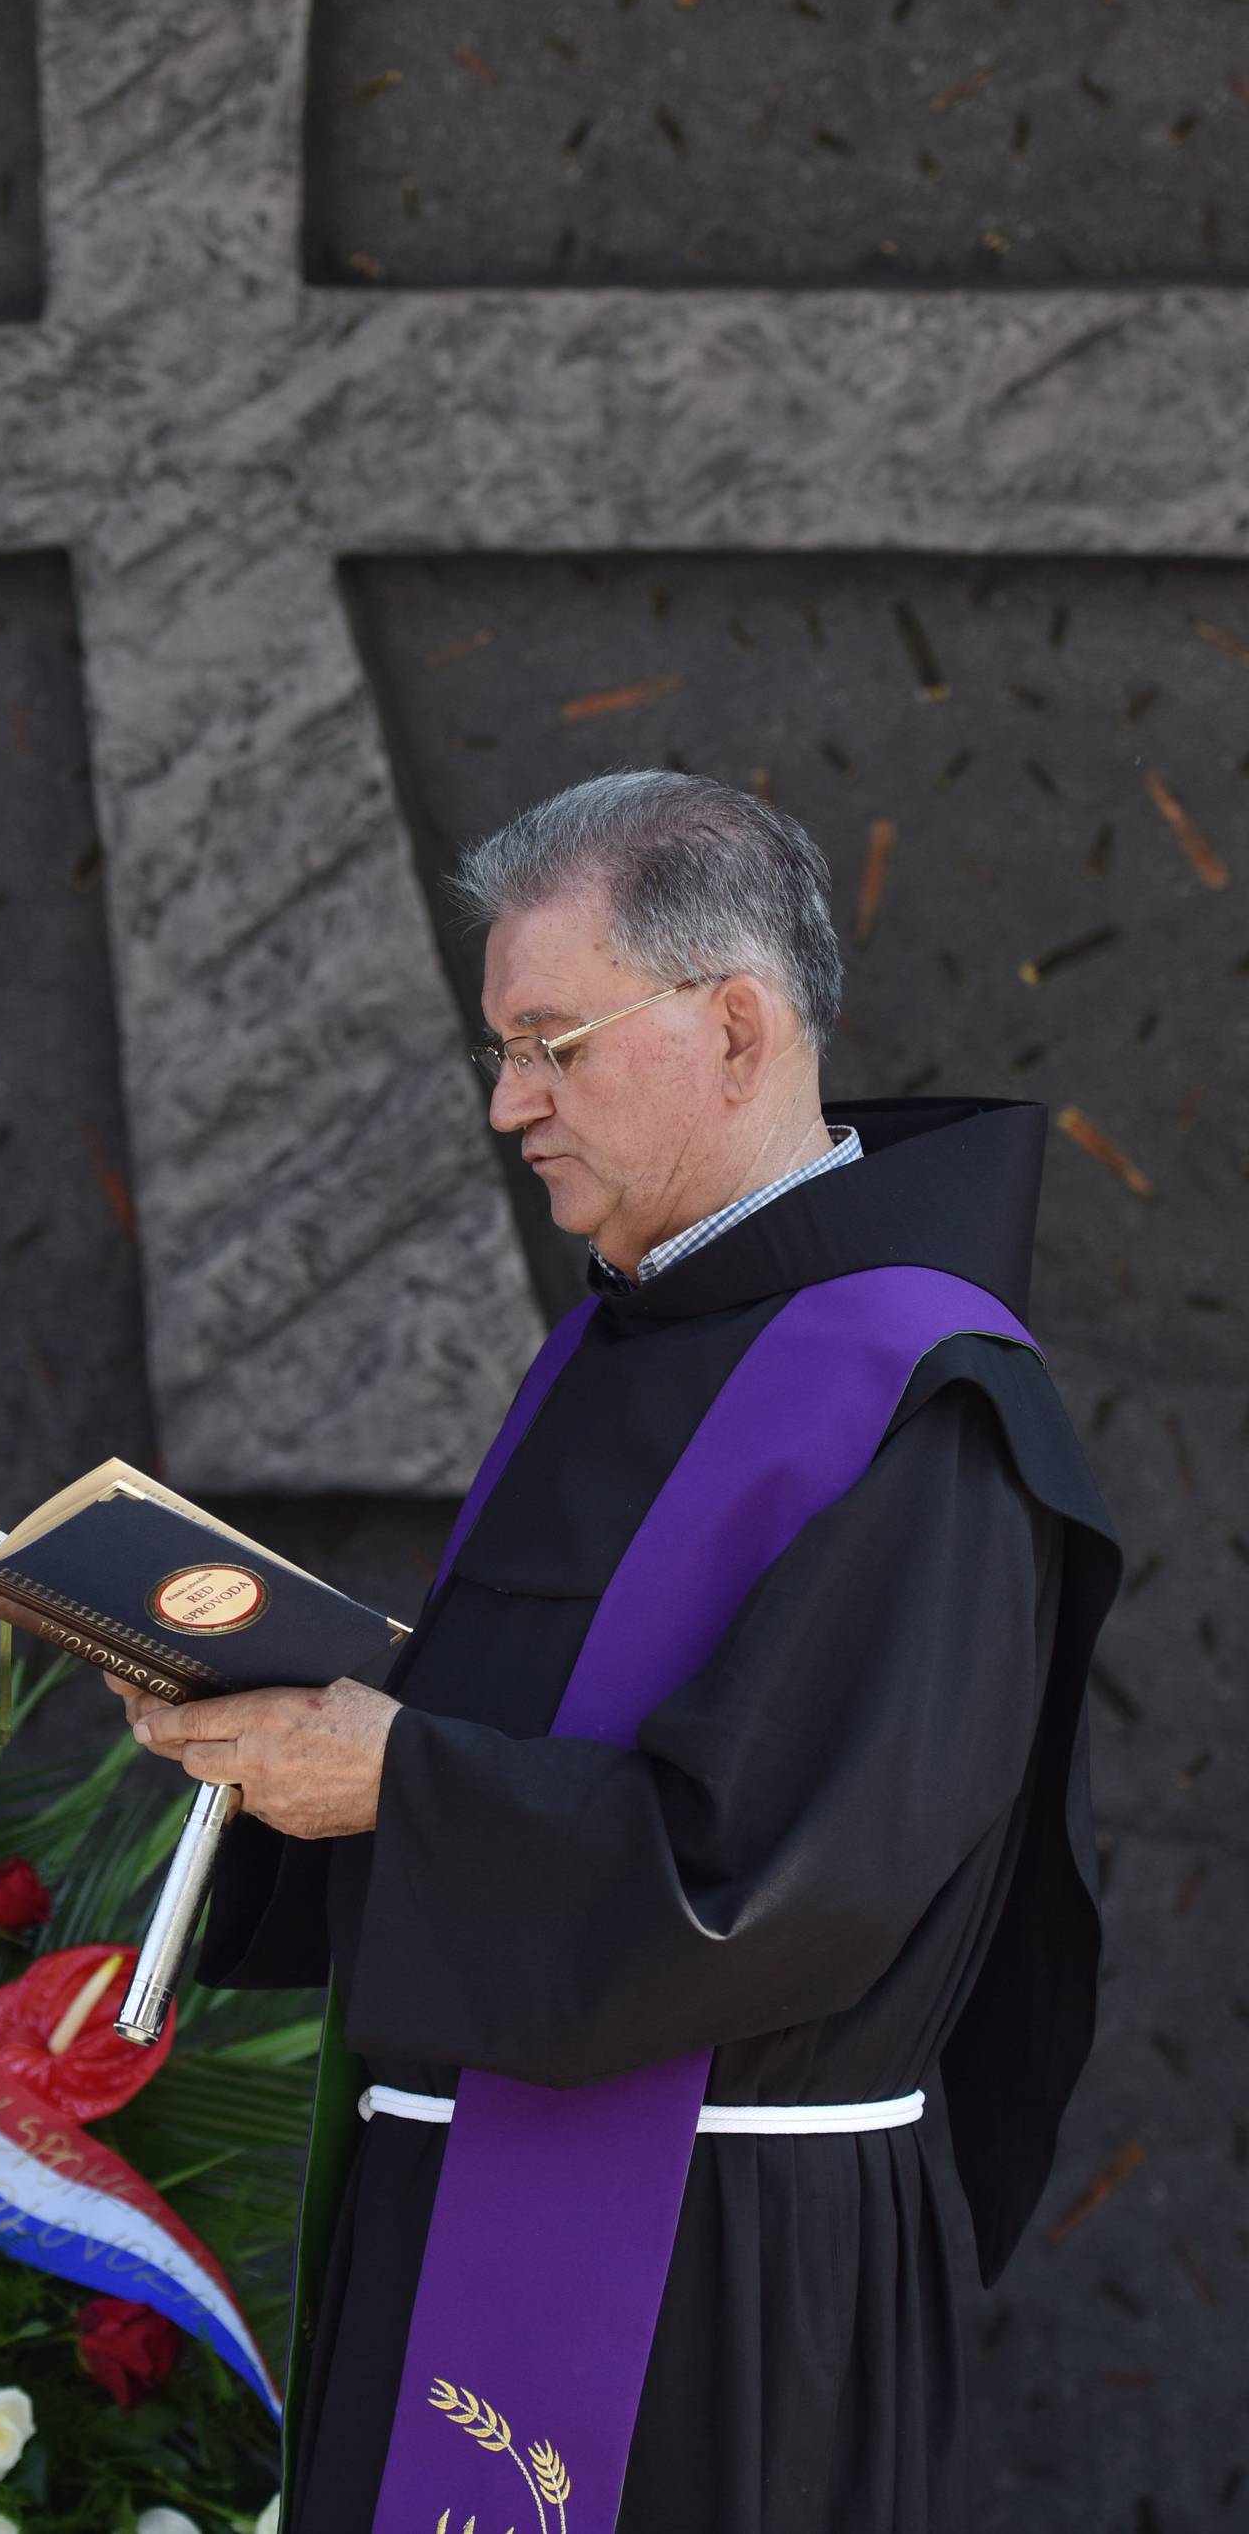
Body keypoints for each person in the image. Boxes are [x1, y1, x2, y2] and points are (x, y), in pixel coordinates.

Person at [106, 769, 1122, 2534]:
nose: (510, 1105)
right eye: (500, 1052)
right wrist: (272, 1723)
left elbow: (789, 1875)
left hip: (712, 2289)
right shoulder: (614, 1345)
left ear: (734, 1027)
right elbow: (522, 1731)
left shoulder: (925, 1402)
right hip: (460, 2198)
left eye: (551, 1043)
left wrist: (395, 1778)